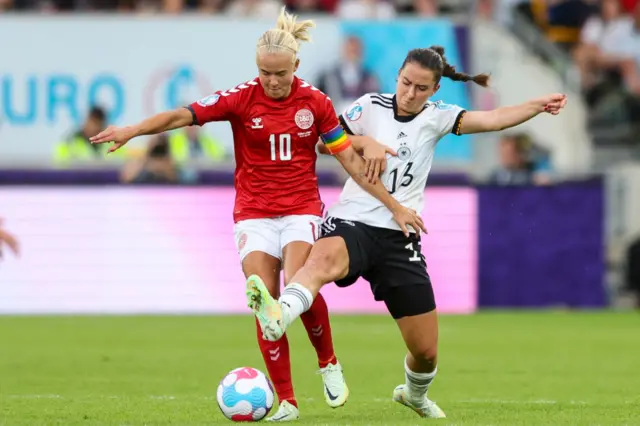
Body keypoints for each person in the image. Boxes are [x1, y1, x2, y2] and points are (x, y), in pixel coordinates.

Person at [89, 7, 424, 422]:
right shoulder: (241, 98)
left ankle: (328, 362)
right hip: (253, 213)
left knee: (296, 285)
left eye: (280, 73)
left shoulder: (316, 103)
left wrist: (392, 205)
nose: (272, 81)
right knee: (264, 301)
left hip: (300, 208)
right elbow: (183, 115)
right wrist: (132, 130)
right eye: (265, 73)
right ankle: (287, 401)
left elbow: (348, 161)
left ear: (295, 66)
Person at [247, 45, 568, 419]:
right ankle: (278, 315)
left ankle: (414, 394)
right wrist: (364, 142)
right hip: (354, 219)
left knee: (426, 351)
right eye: (405, 83)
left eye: (420, 88)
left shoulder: (439, 117)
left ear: (434, 90)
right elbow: (323, 143)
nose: (410, 93)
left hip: (399, 236)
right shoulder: (368, 106)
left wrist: (536, 106)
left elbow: (493, 118)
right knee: (321, 261)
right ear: (397, 75)